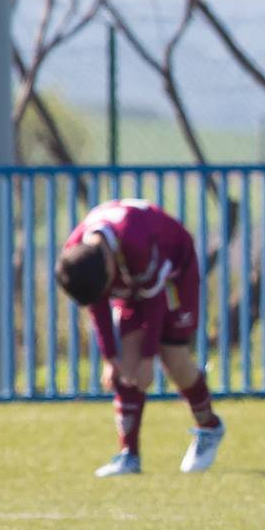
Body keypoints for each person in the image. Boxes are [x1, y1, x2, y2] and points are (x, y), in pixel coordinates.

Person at [50, 199, 225, 478]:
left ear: (109, 270)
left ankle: (209, 426)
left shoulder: (136, 240)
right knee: (125, 367)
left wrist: (149, 357)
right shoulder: (78, 254)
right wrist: (110, 358)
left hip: (175, 271)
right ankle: (129, 456)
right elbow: (97, 304)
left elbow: (153, 303)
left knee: (173, 360)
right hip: (133, 275)